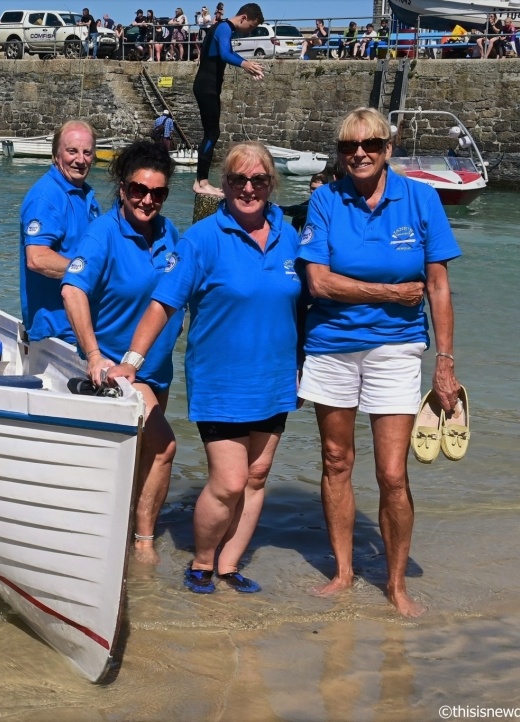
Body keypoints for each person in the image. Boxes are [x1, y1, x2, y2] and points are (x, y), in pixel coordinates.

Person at [109, 141, 304, 592]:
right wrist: (131, 362)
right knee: (230, 480)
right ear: (224, 185)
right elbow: (163, 303)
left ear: (271, 184)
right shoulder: (201, 239)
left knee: (256, 478)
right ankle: (201, 561)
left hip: (276, 378)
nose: (248, 188)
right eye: (238, 180)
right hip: (221, 380)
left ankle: (230, 566)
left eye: (258, 180)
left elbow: (309, 303)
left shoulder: (290, 236)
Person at [297, 107, 463, 618]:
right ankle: (344, 572)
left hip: (398, 350)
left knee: (392, 474)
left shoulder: (421, 198)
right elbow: (318, 282)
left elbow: (436, 285)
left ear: (388, 148)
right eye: (350, 147)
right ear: (341, 154)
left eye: (370, 144)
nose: (360, 154)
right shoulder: (324, 199)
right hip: (331, 345)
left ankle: (395, 584)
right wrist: (390, 292)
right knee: (336, 461)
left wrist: (445, 362)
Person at [61, 140, 184, 565]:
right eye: (138, 190)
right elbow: (72, 289)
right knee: (165, 447)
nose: (147, 200)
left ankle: (119, 533)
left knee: (141, 459)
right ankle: (144, 543)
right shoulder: (103, 233)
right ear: (122, 187)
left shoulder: (170, 233)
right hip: (121, 372)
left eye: (158, 193)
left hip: (161, 368)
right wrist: (93, 354)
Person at [19, 120, 100, 345]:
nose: (80, 160)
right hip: (57, 331)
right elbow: (37, 258)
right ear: (56, 154)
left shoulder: (84, 195)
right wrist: (91, 272)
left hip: (83, 324)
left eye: (87, 152)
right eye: (72, 151)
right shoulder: (46, 197)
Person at [192, 3, 265, 197]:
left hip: (208, 87)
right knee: (212, 133)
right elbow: (225, 54)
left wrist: (249, 65)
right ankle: (201, 182)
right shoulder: (224, 27)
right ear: (243, 18)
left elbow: (228, 53)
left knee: (212, 132)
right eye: (251, 27)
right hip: (206, 87)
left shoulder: (223, 28)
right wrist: (245, 64)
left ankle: (201, 181)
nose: (249, 32)